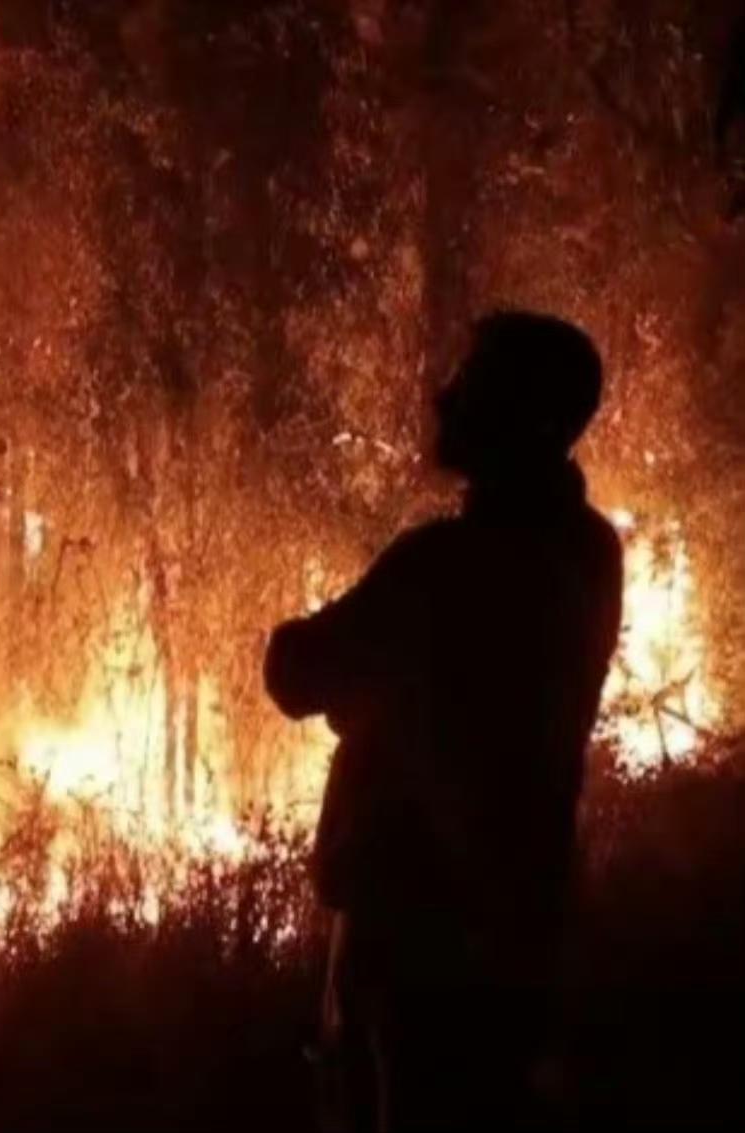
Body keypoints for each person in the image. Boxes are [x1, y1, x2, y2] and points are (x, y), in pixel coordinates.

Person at [266, 312, 623, 1131]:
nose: (444, 394)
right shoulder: (591, 550)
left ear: (515, 412)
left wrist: (365, 694)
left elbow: (296, 671)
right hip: (522, 924)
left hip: (412, 936)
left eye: (469, 381)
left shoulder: (439, 566)